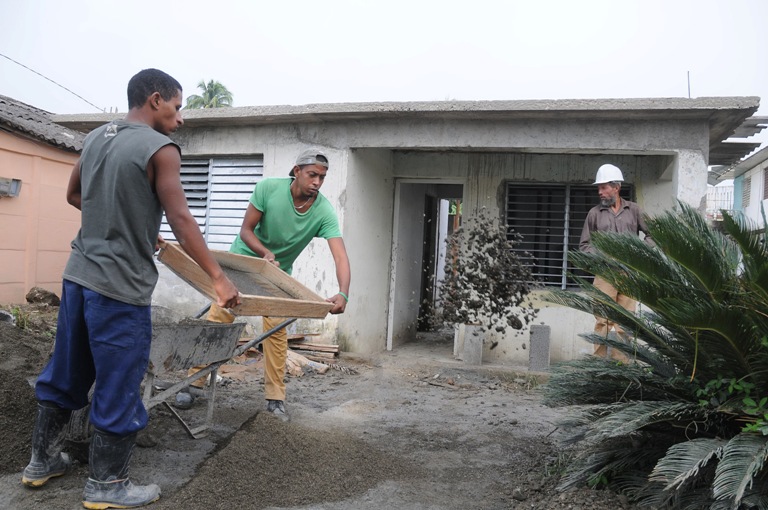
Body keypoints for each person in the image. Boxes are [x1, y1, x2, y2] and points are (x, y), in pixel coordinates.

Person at [22, 69, 240, 509]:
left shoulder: (96, 137)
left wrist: (128, 223)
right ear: (156, 99)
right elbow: (180, 218)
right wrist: (218, 277)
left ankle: (41, 463)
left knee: (66, 372)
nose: (179, 119)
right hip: (120, 289)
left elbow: (74, 195)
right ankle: (106, 486)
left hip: (79, 275)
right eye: (177, 108)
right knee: (119, 383)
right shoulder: (161, 148)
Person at [227, 148, 351, 421]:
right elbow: (245, 231)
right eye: (312, 175)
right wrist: (265, 254)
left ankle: (275, 399)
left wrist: (343, 292)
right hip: (243, 263)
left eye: (322, 177)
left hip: (276, 275)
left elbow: (340, 254)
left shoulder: (323, 211)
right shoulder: (268, 189)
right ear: (297, 171)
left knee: (277, 329)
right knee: (220, 315)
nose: (317, 182)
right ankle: (195, 382)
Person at [579, 163, 652, 362]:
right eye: (599, 188)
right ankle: (599, 364)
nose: (600, 192)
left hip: (629, 275)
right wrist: (603, 255)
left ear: (616, 187)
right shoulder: (594, 214)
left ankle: (623, 366)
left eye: (604, 187)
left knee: (625, 321)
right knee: (602, 320)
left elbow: (653, 235)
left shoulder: (634, 210)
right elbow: (584, 245)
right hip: (604, 275)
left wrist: (639, 253)